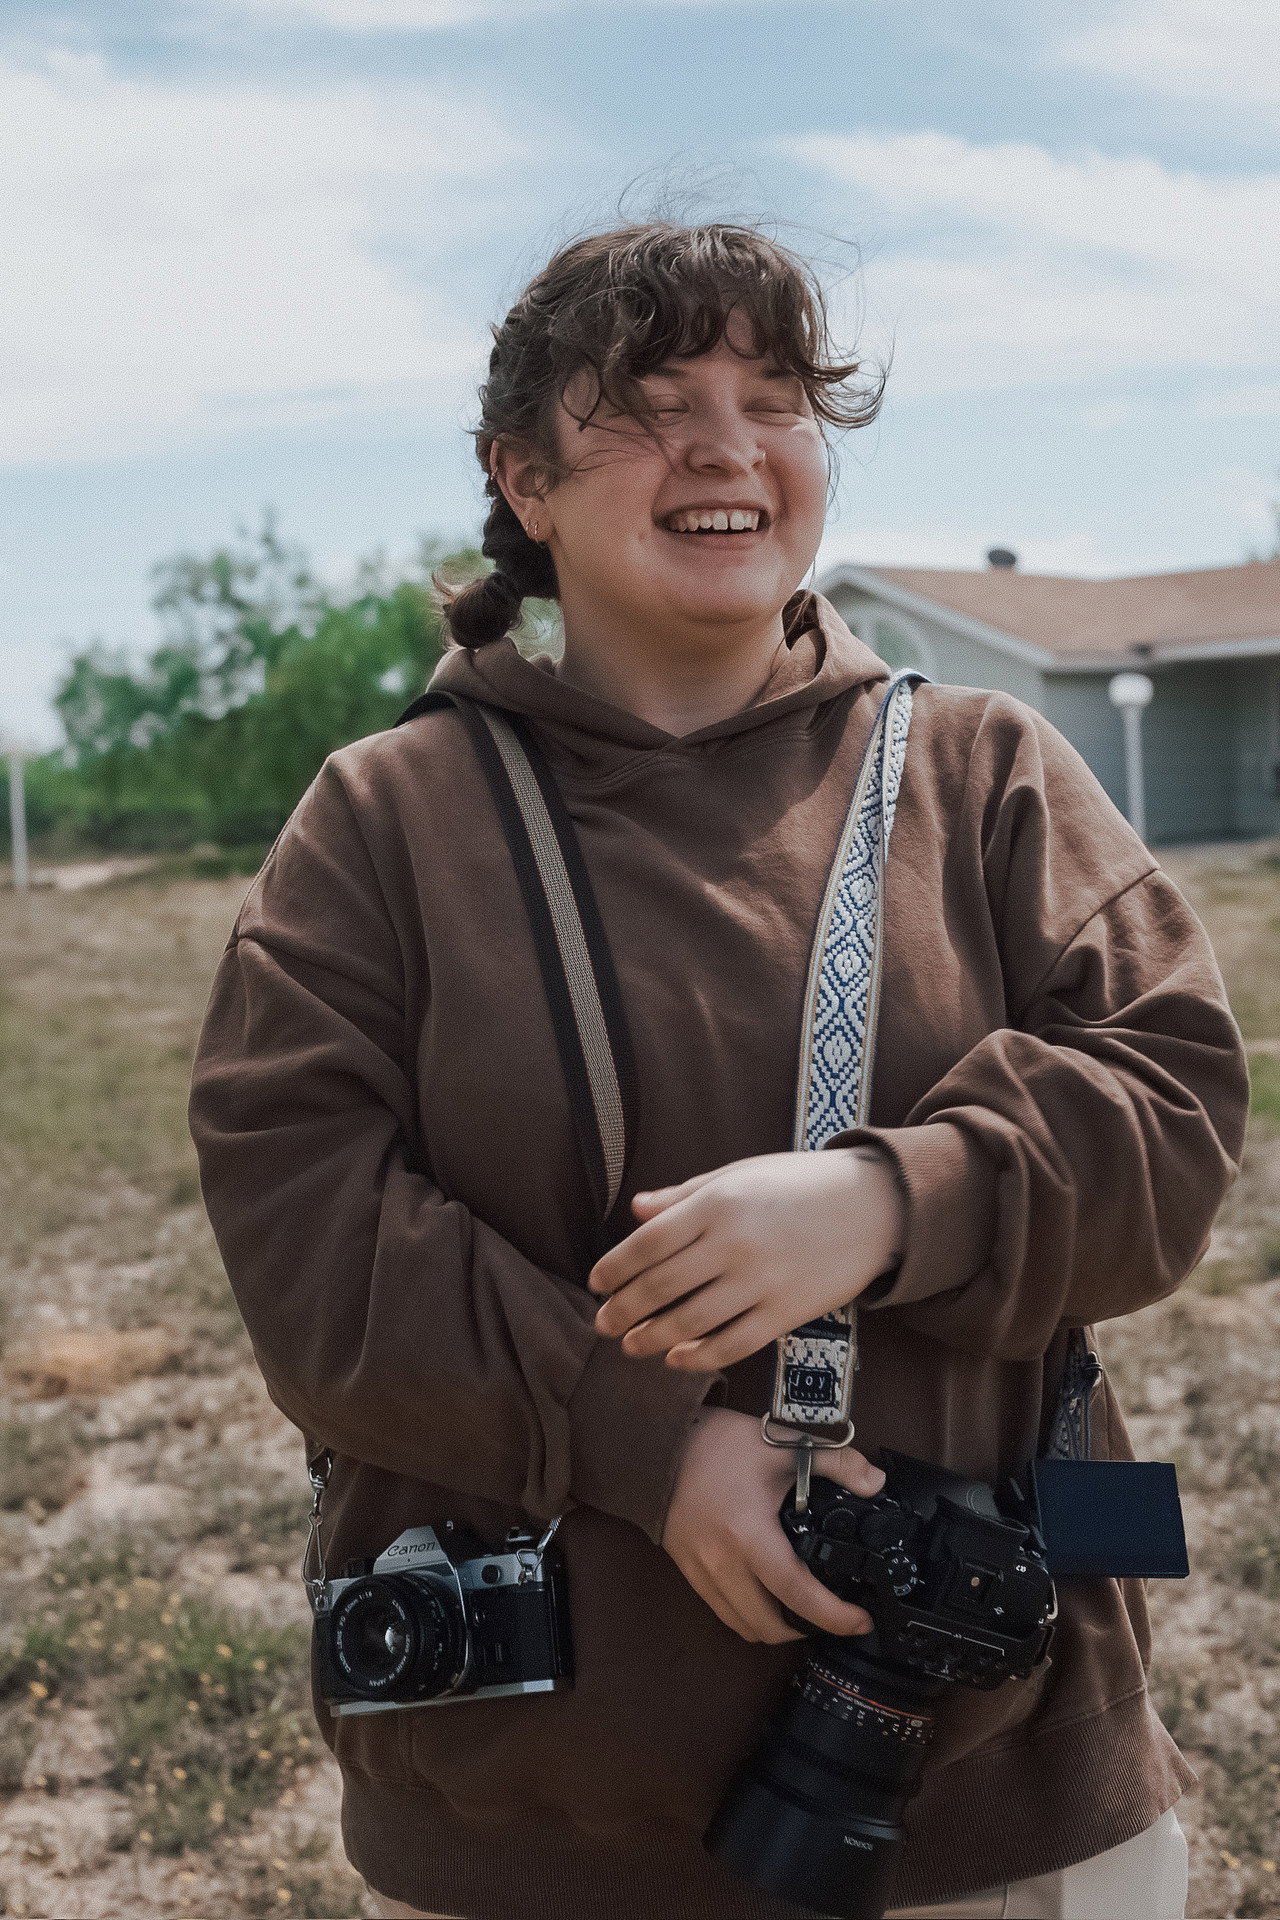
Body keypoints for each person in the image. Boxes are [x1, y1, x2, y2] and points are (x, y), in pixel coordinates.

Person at [189, 221, 1248, 1920]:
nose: (725, 448)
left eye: (773, 400)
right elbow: (303, 1231)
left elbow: (1177, 1105)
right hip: (534, 1828)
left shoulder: (986, 772)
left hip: (1005, 1809)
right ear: (522, 478)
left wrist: (893, 1200)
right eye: (652, 402)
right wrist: (651, 1443)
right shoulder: (382, 823)